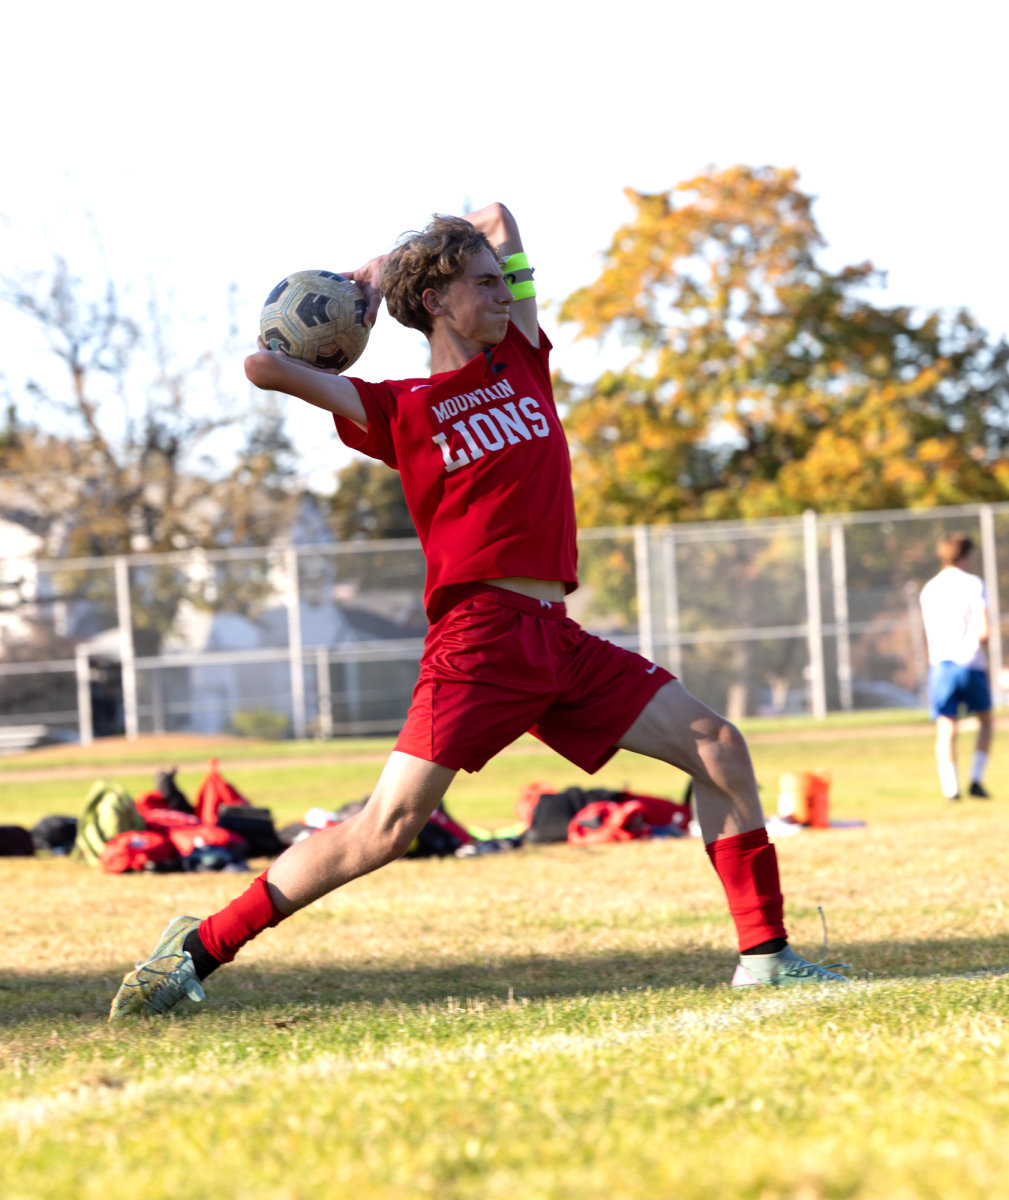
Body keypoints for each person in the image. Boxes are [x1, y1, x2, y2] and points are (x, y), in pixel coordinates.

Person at [109, 204, 846, 1020]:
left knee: (717, 745)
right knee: (384, 830)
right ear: (435, 301)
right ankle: (197, 950)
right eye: (485, 285)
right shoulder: (399, 405)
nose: (506, 294)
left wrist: (389, 258)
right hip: (478, 642)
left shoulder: (521, 359)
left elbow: (497, 214)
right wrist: (357, 291)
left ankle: (765, 958)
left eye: (504, 284)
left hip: (556, 640)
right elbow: (261, 367)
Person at [919, 531, 994, 801]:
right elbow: (983, 630)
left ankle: (950, 789)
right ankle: (976, 780)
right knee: (985, 720)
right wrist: (987, 662)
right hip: (970, 662)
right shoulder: (973, 583)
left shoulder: (929, 588)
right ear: (964, 555)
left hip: (940, 664)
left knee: (946, 725)